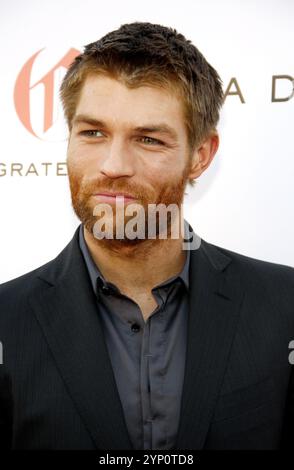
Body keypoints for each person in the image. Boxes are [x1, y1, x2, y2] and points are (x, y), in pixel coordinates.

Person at [0, 21, 293, 451]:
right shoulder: (7, 320)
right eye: (93, 133)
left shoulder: (284, 305)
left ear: (200, 156)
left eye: (149, 139)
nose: (113, 164)